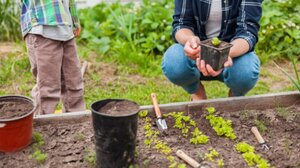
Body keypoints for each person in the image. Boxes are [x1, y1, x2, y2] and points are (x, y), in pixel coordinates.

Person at [162, 0, 262, 101]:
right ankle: (197, 93)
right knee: (174, 61)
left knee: (245, 72)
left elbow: (248, 32)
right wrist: (190, 41)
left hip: (232, 56)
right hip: (197, 54)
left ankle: (234, 98)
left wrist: (224, 53)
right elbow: (181, 24)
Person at [20, 0, 85, 115]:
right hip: (42, 29)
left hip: (66, 31)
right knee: (48, 86)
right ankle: (44, 123)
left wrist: (74, 20)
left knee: (73, 82)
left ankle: (76, 119)